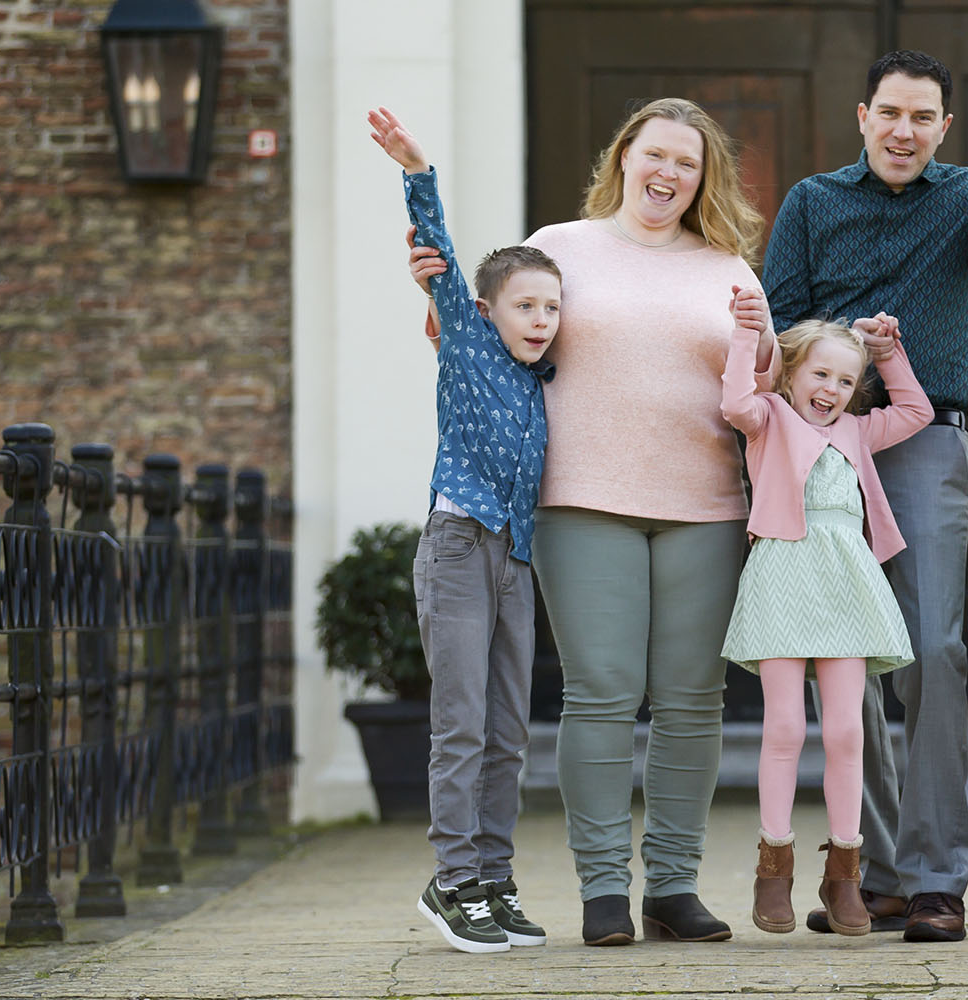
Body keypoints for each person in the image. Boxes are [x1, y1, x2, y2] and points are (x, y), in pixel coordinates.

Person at [413, 97, 775, 947]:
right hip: (582, 503)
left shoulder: (728, 265)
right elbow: (498, 338)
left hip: (706, 508)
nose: (668, 174)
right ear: (624, 157)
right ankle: (605, 890)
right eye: (656, 155)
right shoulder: (560, 248)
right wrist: (435, 296)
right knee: (601, 695)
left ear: (702, 178)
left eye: (687, 163)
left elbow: (760, 387)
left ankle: (675, 887)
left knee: (693, 701)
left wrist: (773, 352)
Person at [761, 50, 968, 942]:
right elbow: (779, 319)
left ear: (943, 126)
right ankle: (878, 871)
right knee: (844, 653)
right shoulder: (815, 201)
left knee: (931, 649)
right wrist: (839, 352)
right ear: (863, 116)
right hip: (822, 450)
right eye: (890, 113)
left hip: (928, 440)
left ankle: (936, 879)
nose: (904, 131)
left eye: (922, 117)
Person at [368, 106, 559, 955]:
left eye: (552, 306)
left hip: (516, 557)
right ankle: (453, 882)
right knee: (461, 724)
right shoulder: (472, 346)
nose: (542, 318)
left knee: (509, 729)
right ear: (485, 310)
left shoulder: (545, 380)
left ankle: (492, 876)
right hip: (458, 547)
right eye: (526, 304)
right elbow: (438, 250)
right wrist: (419, 169)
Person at [716, 305, 932, 937]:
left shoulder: (859, 433)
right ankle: (773, 866)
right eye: (820, 375)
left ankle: (844, 871)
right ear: (791, 375)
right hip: (784, 576)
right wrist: (743, 335)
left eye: (845, 381)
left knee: (847, 733)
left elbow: (917, 412)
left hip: (845, 586)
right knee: (784, 726)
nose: (831, 391)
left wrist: (888, 353)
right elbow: (734, 402)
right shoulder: (770, 418)